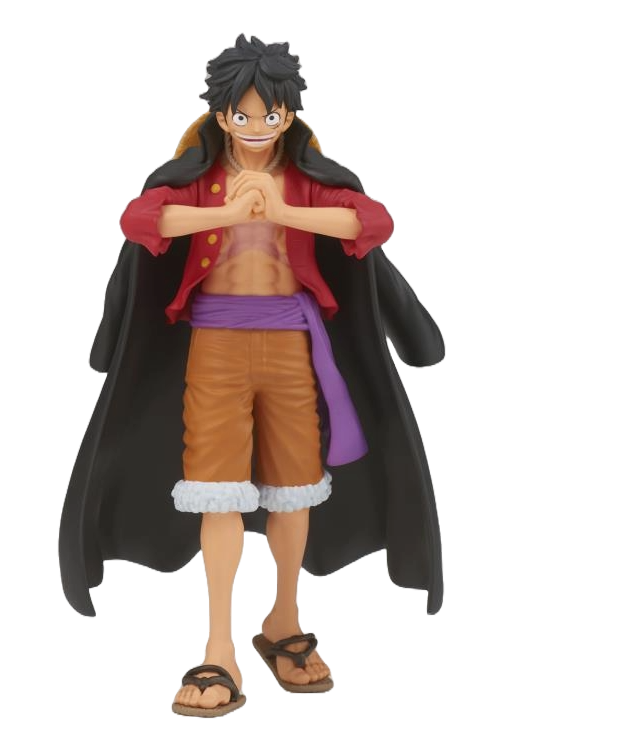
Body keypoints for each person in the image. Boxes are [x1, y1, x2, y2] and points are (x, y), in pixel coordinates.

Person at [58, 33, 445, 719]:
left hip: (292, 346)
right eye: (243, 113)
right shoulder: (200, 176)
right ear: (221, 113)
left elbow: (371, 222)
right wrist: (231, 212)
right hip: (215, 347)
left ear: (290, 114)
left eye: (271, 114)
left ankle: (284, 621)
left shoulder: (307, 178)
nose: (258, 126)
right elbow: (141, 219)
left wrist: (283, 210)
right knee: (218, 491)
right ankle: (218, 646)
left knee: (295, 489)